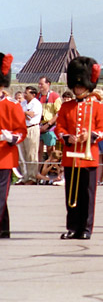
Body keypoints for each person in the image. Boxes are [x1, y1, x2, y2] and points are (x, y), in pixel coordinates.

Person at [55, 57, 103, 240]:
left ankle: (86, 228)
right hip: (71, 156)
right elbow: (59, 128)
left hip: (89, 156)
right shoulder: (66, 106)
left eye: (81, 86)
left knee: (87, 195)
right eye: (76, 86)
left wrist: (91, 135)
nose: (78, 89)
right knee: (71, 195)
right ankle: (72, 226)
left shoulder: (97, 107)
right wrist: (66, 137)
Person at [0, 52, 27, 238]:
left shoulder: (12, 105)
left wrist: (10, 137)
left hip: (4, 157)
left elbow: (21, 131)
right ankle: (4, 228)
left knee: (1, 195)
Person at [18, 87, 41, 184]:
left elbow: (30, 115)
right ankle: (24, 176)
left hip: (32, 128)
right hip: (22, 129)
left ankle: (32, 177)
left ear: (33, 94)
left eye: (26, 93)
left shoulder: (36, 104)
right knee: (22, 154)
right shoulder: (22, 103)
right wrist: (24, 113)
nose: (24, 94)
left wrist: (22, 113)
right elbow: (18, 114)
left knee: (32, 153)